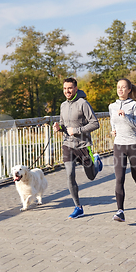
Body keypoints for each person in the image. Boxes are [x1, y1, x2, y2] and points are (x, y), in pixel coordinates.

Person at [53, 77, 103, 219]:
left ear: (75, 89)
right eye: (64, 88)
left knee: (91, 176)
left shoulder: (83, 104)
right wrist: (59, 127)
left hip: (83, 145)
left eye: (69, 88)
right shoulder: (63, 105)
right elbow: (64, 125)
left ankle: (97, 163)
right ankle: (78, 207)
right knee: (70, 174)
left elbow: (95, 123)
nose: (67, 91)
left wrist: (77, 130)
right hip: (68, 145)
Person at [109, 78, 136, 222]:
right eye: (118, 87)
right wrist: (113, 131)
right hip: (119, 145)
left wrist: (126, 116)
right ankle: (120, 211)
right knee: (119, 178)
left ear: (129, 90)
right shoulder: (112, 106)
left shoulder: (134, 105)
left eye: (123, 87)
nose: (120, 89)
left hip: (133, 145)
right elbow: (113, 122)